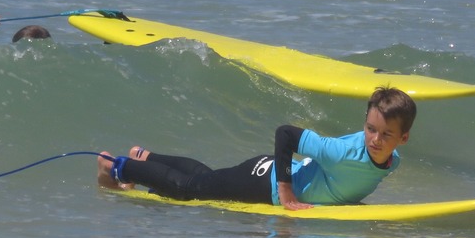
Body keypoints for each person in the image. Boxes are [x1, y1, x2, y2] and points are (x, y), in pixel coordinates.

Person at [97, 87, 416, 209]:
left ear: (403, 139)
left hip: (268, 171)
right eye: (370, 129)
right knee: (190, 189)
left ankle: (148, 158)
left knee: (208, 178)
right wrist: (287, 192)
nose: (375, 140)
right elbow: (286, 134)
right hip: (265, 183)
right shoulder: (341, 153)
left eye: (386, 135)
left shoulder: (393, 161)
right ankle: (115, 166)